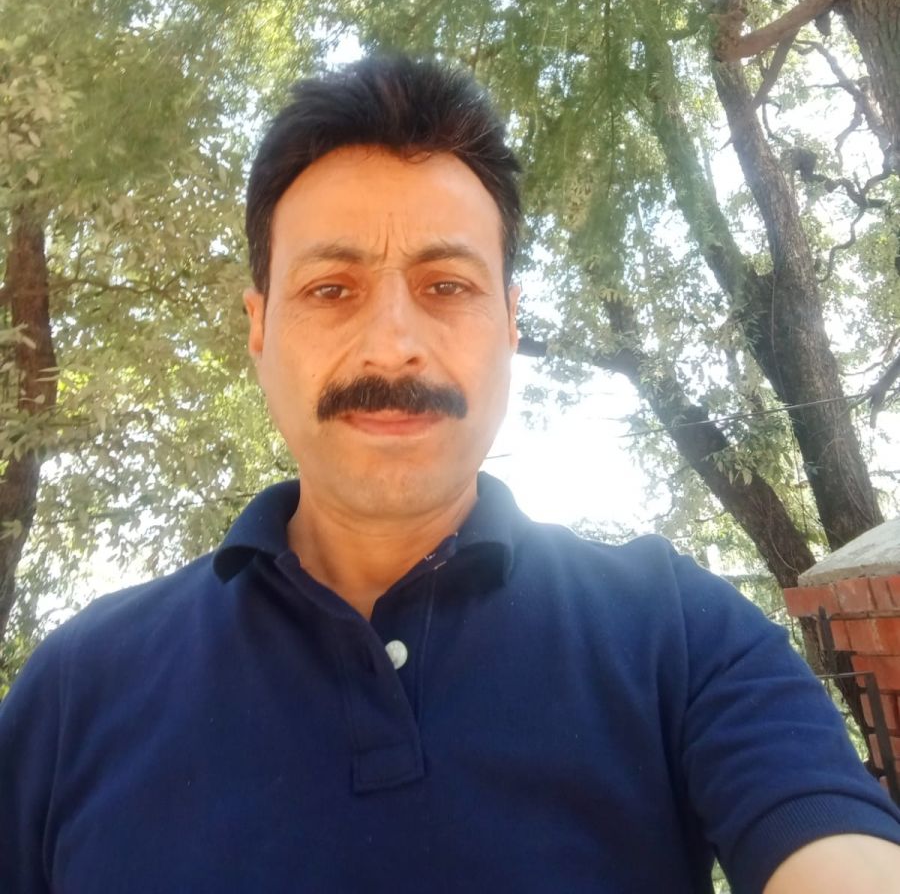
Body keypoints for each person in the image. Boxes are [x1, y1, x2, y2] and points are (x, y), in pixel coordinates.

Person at [2, 56, 900, 894]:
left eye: (446, 286)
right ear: (259, 327)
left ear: (509, 321)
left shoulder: (681, 635)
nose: (393, 344)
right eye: (331, 289)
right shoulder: (76, 689)